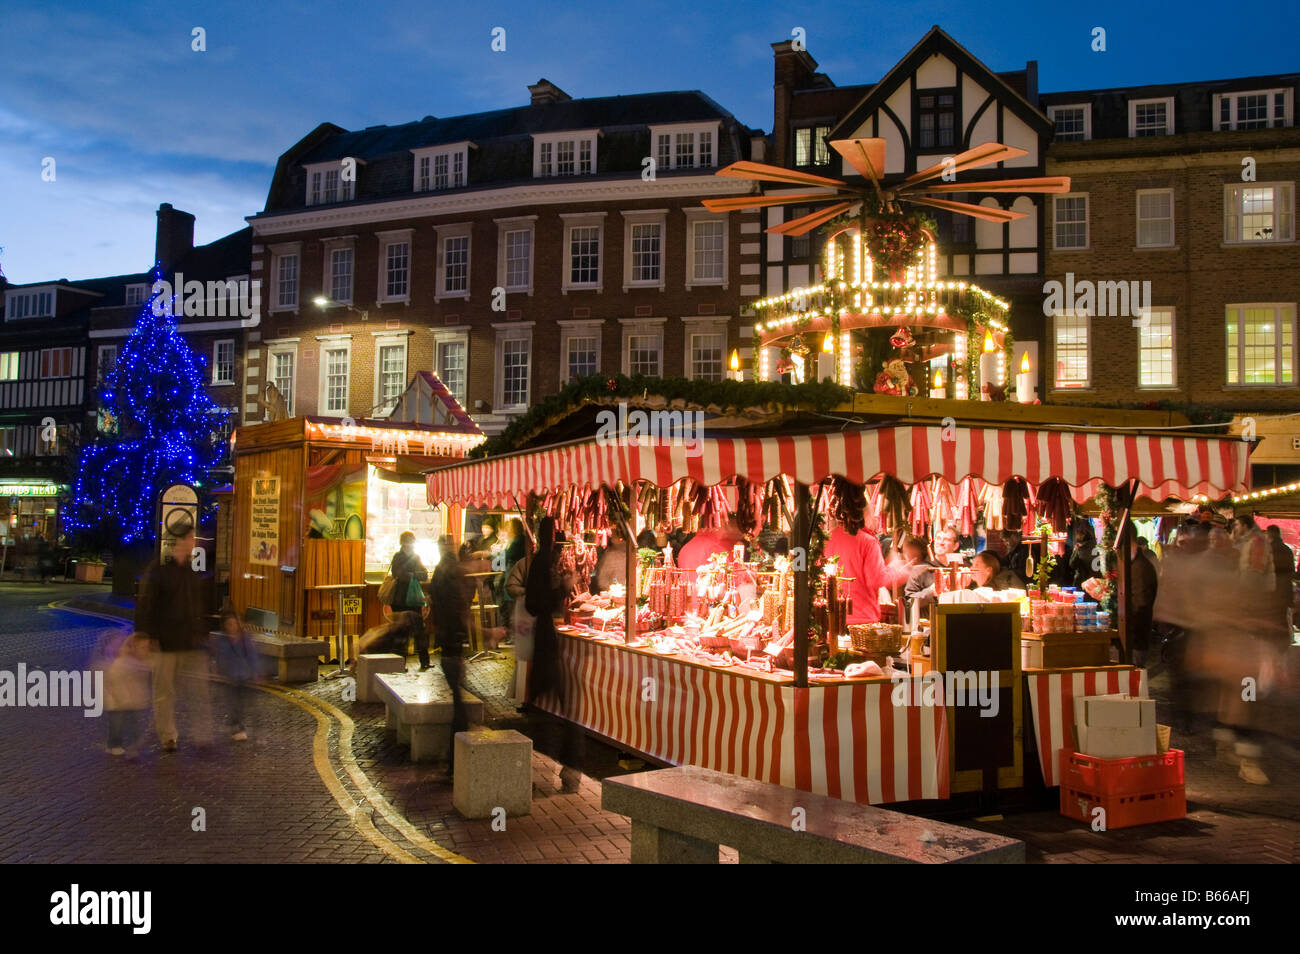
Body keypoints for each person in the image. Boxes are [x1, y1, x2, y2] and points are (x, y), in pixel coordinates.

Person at [135, 524, 212, 752]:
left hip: (190, 641)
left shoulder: (191, 571)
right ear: (179, 541)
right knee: (164, 693)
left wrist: (201, 632)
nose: (194, 542)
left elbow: (196, 605)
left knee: (199, 690)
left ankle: (202, 735)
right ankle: (168, 736)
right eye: (190, 538)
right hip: (166, 642)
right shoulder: (159, 571)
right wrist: (146, 636)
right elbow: (146, 605)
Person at [427, 535, 470, 768]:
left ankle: (455, 756)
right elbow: (460, 608)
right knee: (458, 697)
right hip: (452, 640)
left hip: (448, 639)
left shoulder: (443, 570)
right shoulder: (452, 571)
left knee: (458, 695)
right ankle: (457, 757)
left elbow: (449, 605)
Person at [824, 514, 905, 624]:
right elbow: (877, 579)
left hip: (831, 617)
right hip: (862, 618)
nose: (876, 520)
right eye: (874, 515)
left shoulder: (828, 538)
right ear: (866, 518)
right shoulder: (868, 542)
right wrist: (899, 571)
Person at [99, 631, 154, 757]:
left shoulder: (140, 662)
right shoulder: (122, 663)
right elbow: (114, 680)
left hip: (131, 700)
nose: (146, 651)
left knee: (133, 723)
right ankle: (114, 745)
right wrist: (122, 697)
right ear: (133, 648)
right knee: (116, 724)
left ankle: (132, 746)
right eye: (142, 648)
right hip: (117, 701)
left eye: (147, 647)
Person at [213, 610, 258, 741]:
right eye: (229, 624)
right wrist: (221, 671)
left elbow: (252, 655)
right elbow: (220, 657)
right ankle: (238, 727)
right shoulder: (223, 640)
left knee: (240, 703)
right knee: (233, 702)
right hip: (230, 677)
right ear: (225, 626)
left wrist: (255, 671)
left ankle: (233, 723)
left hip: (243, 675)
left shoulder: (245, 638)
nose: (233, 626)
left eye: (234, 623)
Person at [388, 531, 429, 669]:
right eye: (409, 542)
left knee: (419, 630)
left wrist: (413, 575)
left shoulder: (415, 557)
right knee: (402, 632)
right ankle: (400, 664)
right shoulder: (398, 557)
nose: (411, 545)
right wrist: (414, 575)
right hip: (400, 600)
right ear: (404, 543)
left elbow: (424, 574)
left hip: (412, 600)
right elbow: (398, 574)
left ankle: (424, 661)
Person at [1127, 535, 1159, 667]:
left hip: (1136, 635)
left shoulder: (1140, 567)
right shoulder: (1135, 564)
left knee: (1135, 673)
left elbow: (1141, 604)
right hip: (1135, 634)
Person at [496, 518, 529, 637]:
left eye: (509, 528)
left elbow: (504, 557)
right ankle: (512, 634)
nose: (507, 530)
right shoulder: (518, 540)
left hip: (514, 580)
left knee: (512, 609)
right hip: (516, 580)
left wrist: (496, 557)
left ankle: (512, 635)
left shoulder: (517, 542)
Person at [676, 517, 745, 573]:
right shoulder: (715, 549)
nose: (726, 531)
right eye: (724, 526)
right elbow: (732, 577)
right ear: (715, 528)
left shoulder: (685, 548)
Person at [1266, 525, 1295, 651]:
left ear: (1270, 534)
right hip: (1285, 588)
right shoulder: (1287, 550)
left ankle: (1273, 643)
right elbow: (1291, 571)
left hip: (1272, 588)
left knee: (1271, 616)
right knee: (1281, 616)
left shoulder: (1269, 549)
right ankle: (1283, 644)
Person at [590, 524, 631, 592]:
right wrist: (613, 590)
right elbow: (602, 581)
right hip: (615, 593)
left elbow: (602, 581)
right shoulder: (611, 555)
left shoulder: (631, 555)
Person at [1066, 521, 1098, 588]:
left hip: (1082, 582)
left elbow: (1072, 564)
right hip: (1096, 581)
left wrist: (1075, 551)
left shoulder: (1080, 550)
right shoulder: (1096, 547)